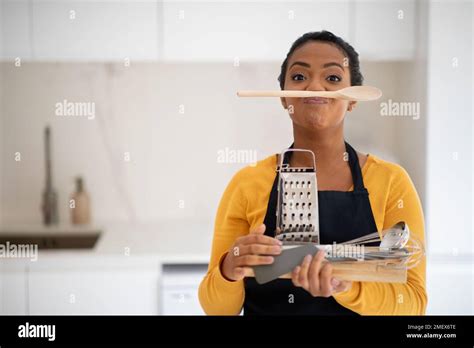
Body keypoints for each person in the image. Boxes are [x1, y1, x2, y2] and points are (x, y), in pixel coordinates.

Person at [199, 30, 427, 315]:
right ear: (284, 98)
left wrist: (345, 285)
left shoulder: (392, 182)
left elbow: (413, 303)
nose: (314, 87)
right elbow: (216, 309)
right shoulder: (247, 183)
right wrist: (229, 268)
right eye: (298, 77)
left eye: (332, 78)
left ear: (353, 98)